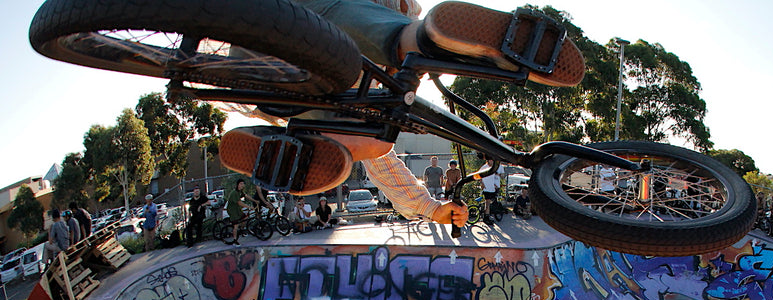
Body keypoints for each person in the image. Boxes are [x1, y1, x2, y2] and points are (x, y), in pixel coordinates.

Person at [218, 0, 584, 234]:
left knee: (368, 140)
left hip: (258, 55)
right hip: (340, 28)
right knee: (396, 51)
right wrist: (428, 206)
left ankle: (283, 140)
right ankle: (424, 40)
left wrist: (431, 207)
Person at [226, 179, 251, 244]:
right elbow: (239, 202)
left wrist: (255, 201)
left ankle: (242, 230)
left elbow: (246, 196)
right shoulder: (234, 193)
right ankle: (235, 240)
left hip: (238, 210)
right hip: (232, 211)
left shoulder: (240, 192)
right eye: (241, 184)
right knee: (236, 225)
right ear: (238, 185)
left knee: (245, 218)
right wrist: (249, 207)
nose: (242, 185)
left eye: (243, 184)